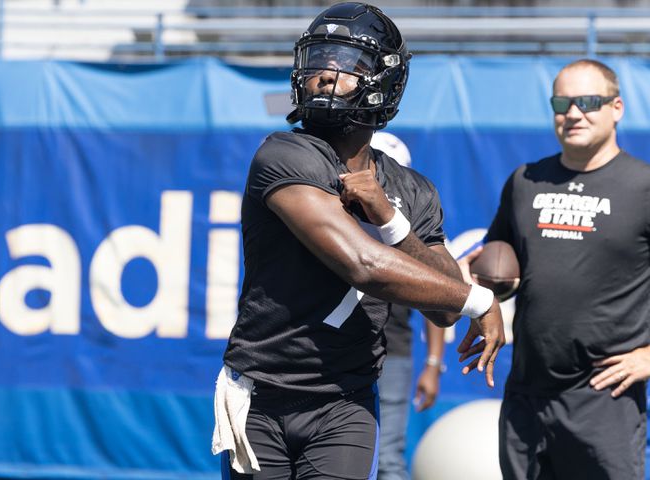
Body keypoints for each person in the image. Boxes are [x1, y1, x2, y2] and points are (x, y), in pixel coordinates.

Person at [212, 3, 505, 479]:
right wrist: (481, 299)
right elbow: (362, 265)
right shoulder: (284, 153)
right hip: (262, 388)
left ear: (384, 80)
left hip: (345, 400)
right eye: (320, 60)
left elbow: (444, 306)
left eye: (347, 63)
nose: (327, 74)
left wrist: (390, 219)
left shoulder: (413, 190)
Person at [460, 59, 650, 480]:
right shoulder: (526, 180)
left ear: (617, 107)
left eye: (588, 101)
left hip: (605, 396)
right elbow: (496, 263)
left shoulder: (643, 187)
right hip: (527, 391)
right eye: (562, 102)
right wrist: (471, 280)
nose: (574, 113)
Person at [370, 131, 446, 480]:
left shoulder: (415, 229)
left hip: (393, 351)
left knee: (387, 458)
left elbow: (438, 298)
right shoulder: (332, 217)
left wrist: (433, 364)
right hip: (331, 352)